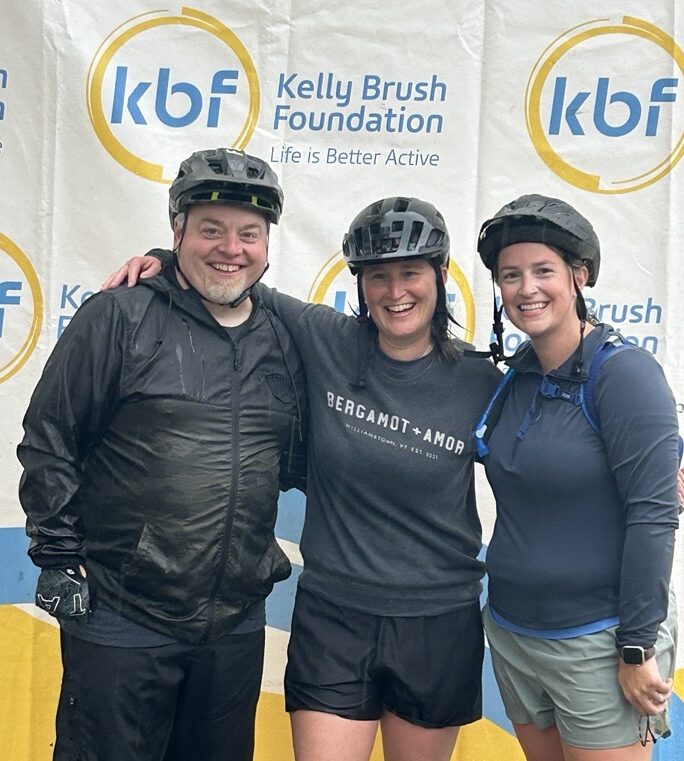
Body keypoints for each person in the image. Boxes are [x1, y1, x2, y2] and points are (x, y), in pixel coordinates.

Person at [105, 196, 502, 761]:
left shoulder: (482, 380)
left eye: (411, 273)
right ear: (360, 284)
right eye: (378, 276)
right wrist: (163, 259)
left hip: (437, 622)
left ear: (440, 275)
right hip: (334, 615)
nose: (395, 292)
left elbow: (553, 468)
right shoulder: (327, 339)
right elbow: (235, 279)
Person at [17, 148, 306, 761]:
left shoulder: (285, 337)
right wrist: (58, 555)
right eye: (211, 230)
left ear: (267, 243)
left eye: (248, 234)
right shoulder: (118, 316)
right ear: (177, 231)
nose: (231, 248)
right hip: (122, 613)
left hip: (233, 624)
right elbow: (51, 435)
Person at [475, 193, 680, 761]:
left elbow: (654, 513)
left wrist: (637, 647)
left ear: (579, 275)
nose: (526, 288)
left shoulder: (624, 374)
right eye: (511, 275)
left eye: (543, 270)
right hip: (513, 632)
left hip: (599, 639)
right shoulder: (516, 375)